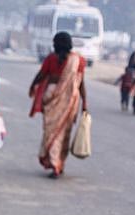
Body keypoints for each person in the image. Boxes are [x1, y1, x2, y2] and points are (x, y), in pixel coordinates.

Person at [28, 31, 88, 179]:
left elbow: (42, 75)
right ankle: (59, 164)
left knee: (51, 131)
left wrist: (33, 85)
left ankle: (54, 163)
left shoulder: (51, 59)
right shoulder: (78, 60)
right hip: (70, 101)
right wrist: (85, 103)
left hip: (51, 97)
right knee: (64, 133)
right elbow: (81, 84)